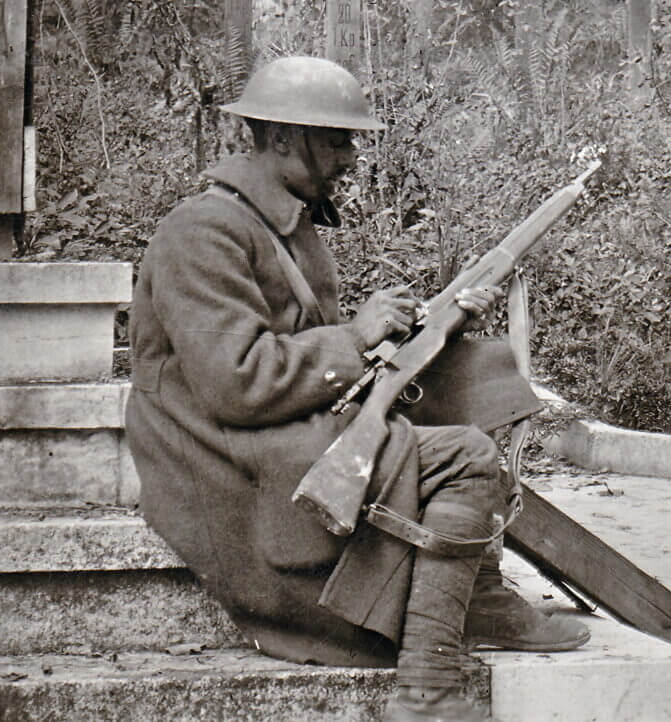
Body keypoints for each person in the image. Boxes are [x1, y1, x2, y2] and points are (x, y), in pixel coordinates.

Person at [126, 55, 589, 722]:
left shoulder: (273, 220)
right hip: (222, 459)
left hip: (269, 431)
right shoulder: (202, 230)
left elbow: (293, 349)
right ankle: (428, 686)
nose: (351, 156)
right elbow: (235, 382)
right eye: (337, 139)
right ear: (282, 137)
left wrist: (434, 327)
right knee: (464, 458)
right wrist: (355, 336)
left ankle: (473, 598)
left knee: (475, 380)